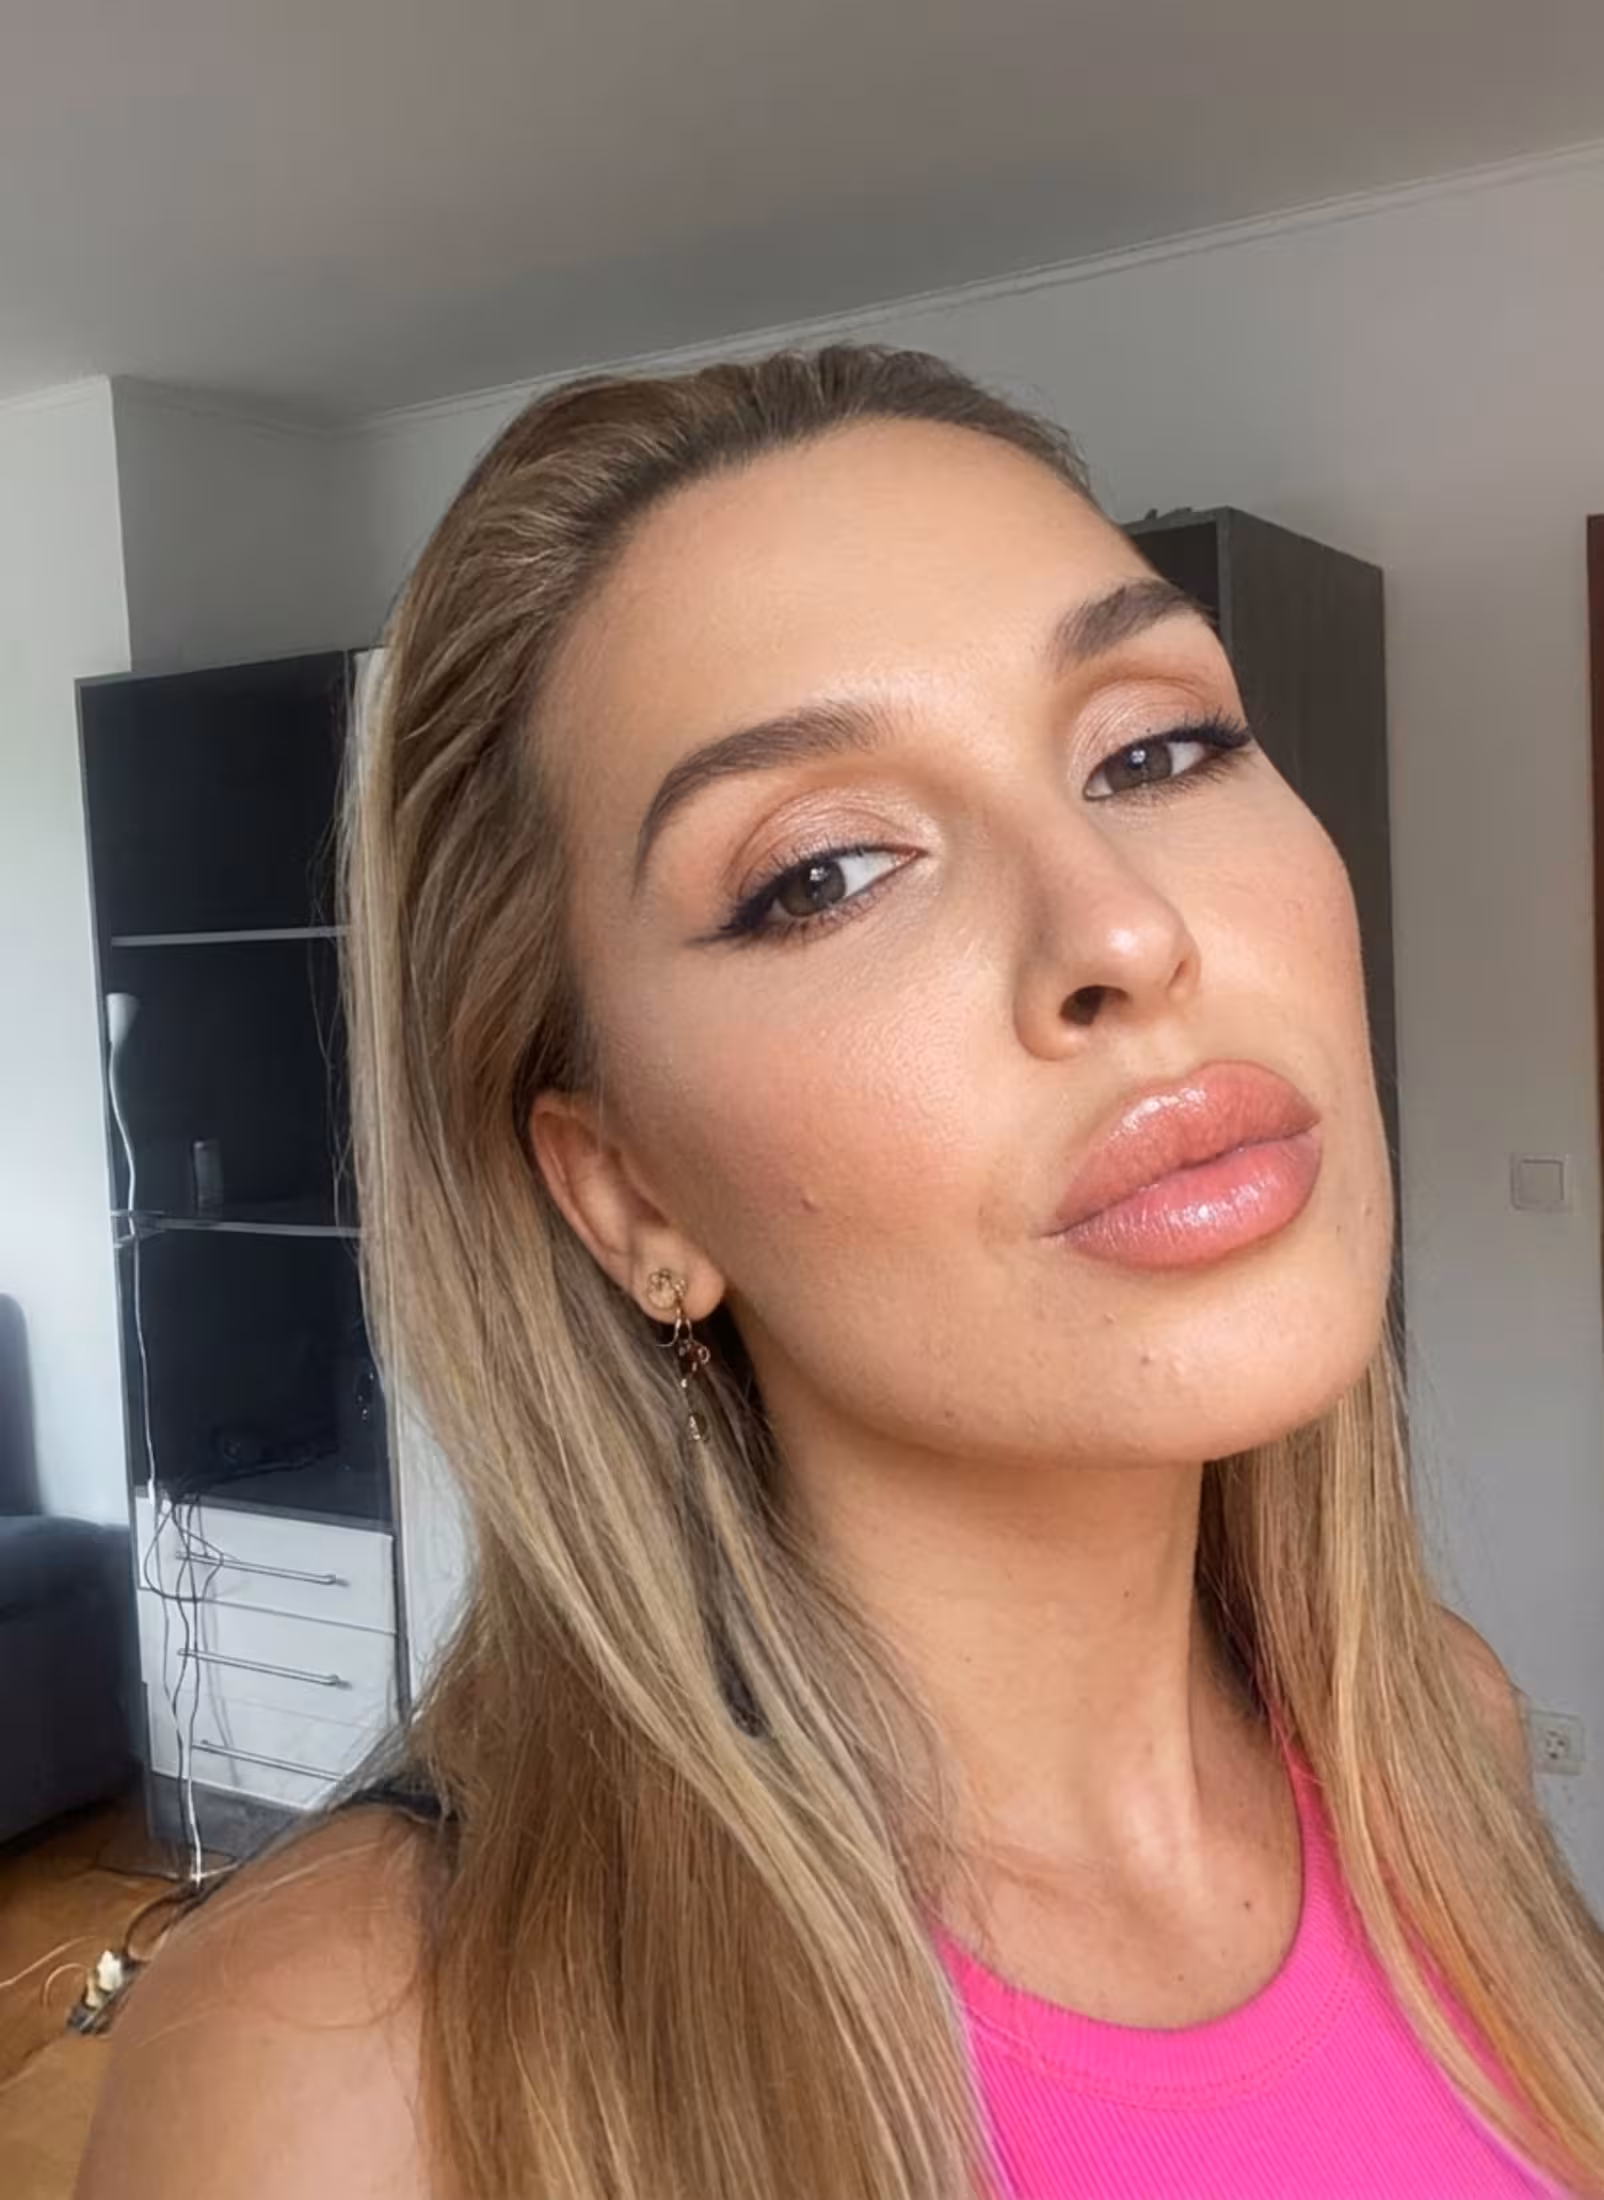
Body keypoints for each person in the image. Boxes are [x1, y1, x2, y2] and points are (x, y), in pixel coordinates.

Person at [76, 344, 1604, 2199]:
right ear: (626, 1192)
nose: (1125, 928)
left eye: (1156, 748)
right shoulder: (345, 2076)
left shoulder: (1440, 1741)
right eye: (825, 874)